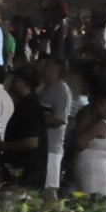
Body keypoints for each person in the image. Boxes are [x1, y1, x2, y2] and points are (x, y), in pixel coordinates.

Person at [68, 94, 106, 197]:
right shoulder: (105, 124)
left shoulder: (101, 125)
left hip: (93, 175)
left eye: (102, 104)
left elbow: (79, 143)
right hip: (91, 173)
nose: (97, 106)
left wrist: (82, 121)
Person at [37, 55, 72, 201]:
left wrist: (36, 119)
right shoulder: (46, 89)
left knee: (49, 190)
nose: (44, 66)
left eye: (49, 63)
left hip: (52, 148)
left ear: (57, 67)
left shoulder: (62, 91)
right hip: (41, 146)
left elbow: (59, 119)